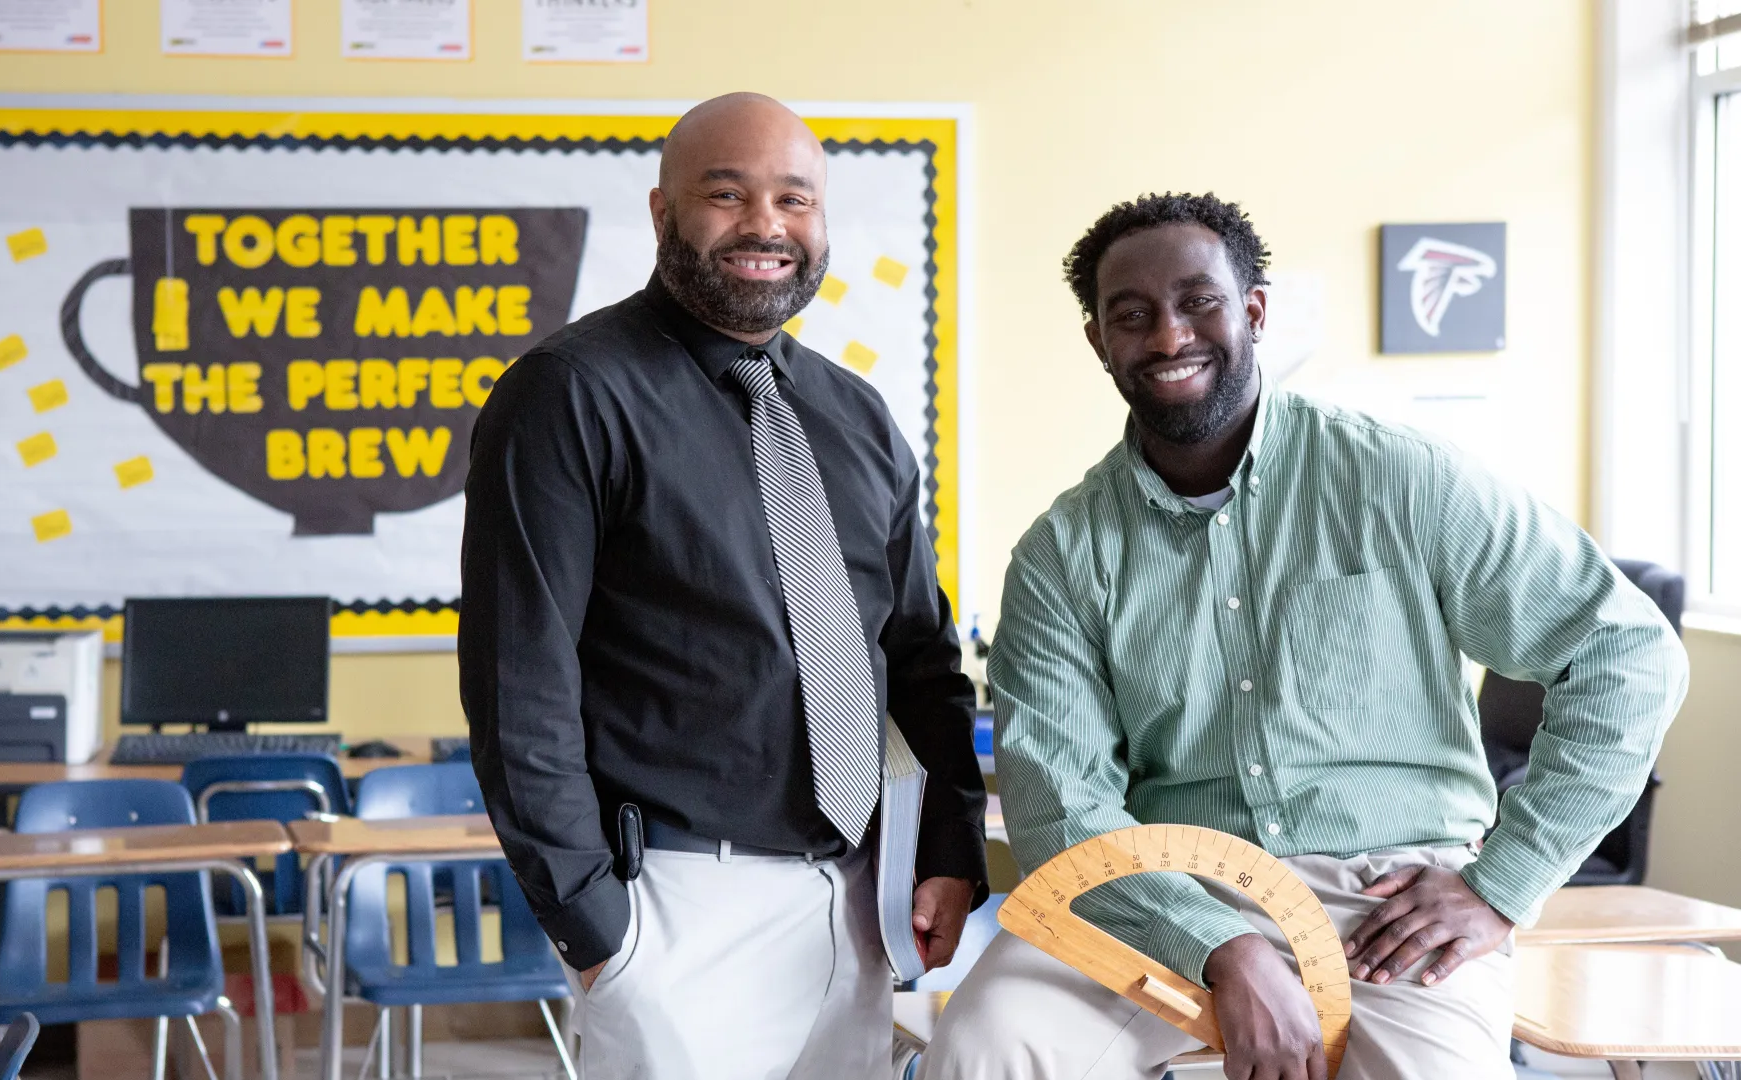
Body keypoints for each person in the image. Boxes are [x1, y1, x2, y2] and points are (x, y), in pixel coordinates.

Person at [918, 192, 1689, 1080]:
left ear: (1253, 309)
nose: (1169, 338)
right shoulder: (1062, 554)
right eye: (1132, 316)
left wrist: (1501, 887)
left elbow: (1625, 652)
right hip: (1160, 893)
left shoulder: (1403, 480)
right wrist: (1222, 946)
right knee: (985, 1046)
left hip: (1390, 899)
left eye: (1199, 302)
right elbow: (1062, 810)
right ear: (1100, 341)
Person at [459, 93, 986, 1080]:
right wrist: (599, 931)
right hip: (675, 907)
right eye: (727, 194)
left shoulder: (857, 416)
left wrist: (952, 843)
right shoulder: (567, 395)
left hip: (854, 901)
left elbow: (920, 656)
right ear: (662, 212)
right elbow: (516, 683)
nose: (766, 225)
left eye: (796, 198)